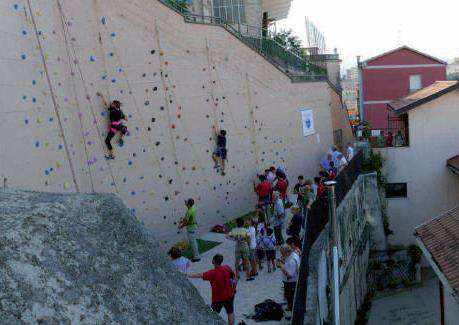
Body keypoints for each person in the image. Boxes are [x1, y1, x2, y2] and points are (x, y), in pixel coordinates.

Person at [188, 254, 237, 325]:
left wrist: (188, 275)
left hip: (218, 298)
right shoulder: (227, 267)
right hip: (229, 295)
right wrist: (233, 289)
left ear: (213, 261)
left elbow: (200, 275)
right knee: (230, 312)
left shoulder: (212, 273)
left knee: (213, 314)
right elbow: (234, 278)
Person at [97, 92, 128, 160]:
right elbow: (126, 118)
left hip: (115, 127)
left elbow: (106, 105)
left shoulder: (117, 111)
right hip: (117, 126)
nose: (111, 103)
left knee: (107, 141)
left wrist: (102, 96)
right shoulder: (117, 110)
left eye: (113, 103)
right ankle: (121, 136)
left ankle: (112, 154)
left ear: (115, 105)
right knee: (123, 128)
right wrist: (102, 96)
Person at [280, 237, 301, 316]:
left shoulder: (292, 260)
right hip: (290, 282)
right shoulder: (292, 256)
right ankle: (290, 308)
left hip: (291, 282)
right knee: (289, 298)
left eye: (282, 253)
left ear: (286, 252)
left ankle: (292, 314)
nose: (282, 255)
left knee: (291, 298)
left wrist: (282, 267)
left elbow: (289, 275)